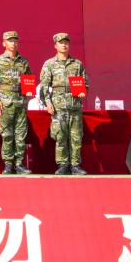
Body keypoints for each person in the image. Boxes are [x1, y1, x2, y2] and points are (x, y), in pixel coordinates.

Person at [39, 32, 89, 175]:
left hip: (74, 104)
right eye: (61, 43)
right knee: (60, 135)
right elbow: (44, 86)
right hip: (58, 105)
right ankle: (63, 164)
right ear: (55, 45)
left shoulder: (77, 64)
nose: (64, 45)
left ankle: (75, 165)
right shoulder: (49, 64)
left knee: (76, 136)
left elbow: (85, 83)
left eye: (66, 42)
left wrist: (83, 91)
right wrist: (48, 102)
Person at [0, 31, 34, 175]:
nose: (13, 43)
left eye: (15, 41)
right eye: (10, 41)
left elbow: (28, 79)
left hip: (20, 101)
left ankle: (19, 164)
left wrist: (29, 92)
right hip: (5, 101)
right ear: (4, 43)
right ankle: (8, 164)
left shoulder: (23, 62)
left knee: (20, 134)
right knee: (7, 134)